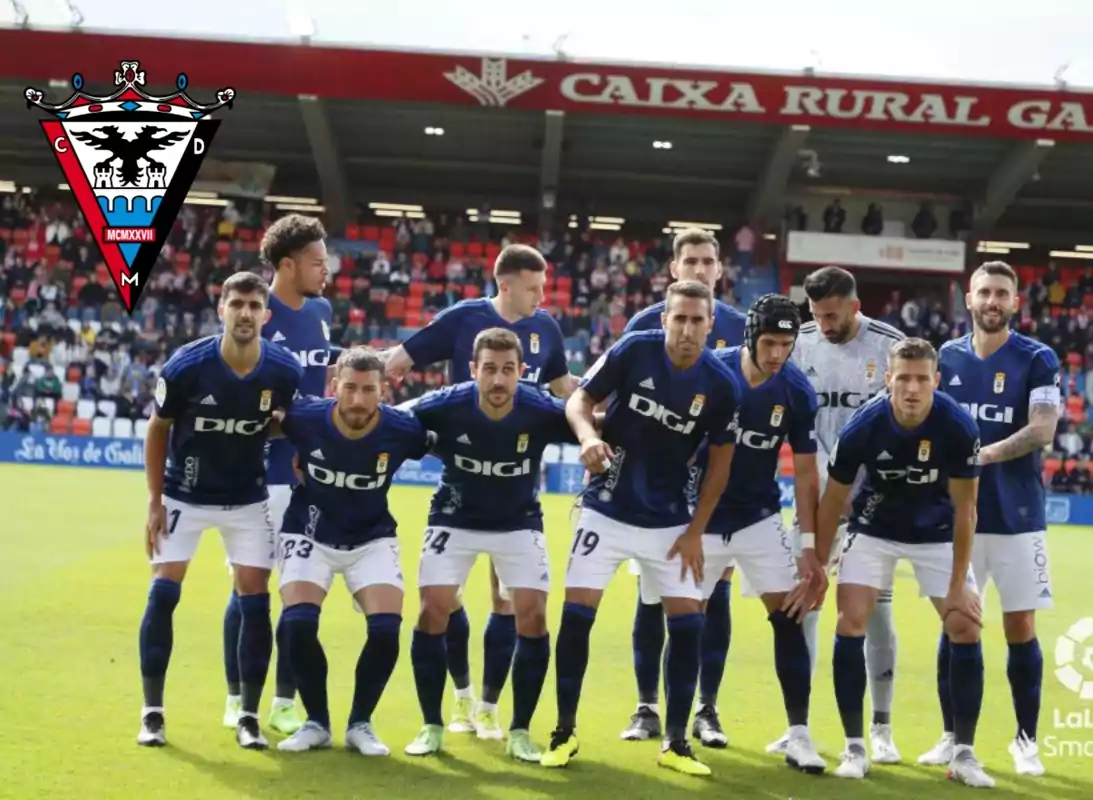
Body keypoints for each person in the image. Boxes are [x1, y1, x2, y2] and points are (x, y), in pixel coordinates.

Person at [541, 280, 741, 776]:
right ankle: (564, 732)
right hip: (607, 508)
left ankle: (675, 743)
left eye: (698, 320)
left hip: (670, 521)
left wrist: (696, 530)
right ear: (664, 319)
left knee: (689, 621)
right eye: (680, 318)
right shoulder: (634, 349)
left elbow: (720, 466)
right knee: (577, 615)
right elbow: (578, 401)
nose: (688, 329)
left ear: (711, 325)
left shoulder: (721, 385)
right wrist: (587, 437)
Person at [383, 244, 574, 738]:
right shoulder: (464, 318)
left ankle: (488, 707)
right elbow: (400, 360)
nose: (542, 295)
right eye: (534, 287)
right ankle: (461, 698)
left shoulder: (547, 329)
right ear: (505, 284)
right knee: (444, 602)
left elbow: (564, 393)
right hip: (459, 472)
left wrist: (597, 416)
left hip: (516, 485)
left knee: (508, 603)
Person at [796, 337, 992, 788]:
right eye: (902, 378)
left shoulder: (958, 428)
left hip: (937, 533)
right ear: (887, 380)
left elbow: (967, 510)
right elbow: (832, 502)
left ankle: (963, 753)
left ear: (936, 381)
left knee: (965, 623)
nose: (911, 388)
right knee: (850, 621)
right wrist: (819, 566)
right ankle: (855, 747)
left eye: (921, 379)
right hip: (874, 529)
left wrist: (961, 581)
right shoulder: (863, 427)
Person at [137, 272, 303, 749]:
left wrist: (293, 446)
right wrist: (153, 501)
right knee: (163, 592)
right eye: (238, 304)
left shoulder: (283, 371)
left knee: (255, 600)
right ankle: (152, 713)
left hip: (247, 499)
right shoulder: (187, 365)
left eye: (255, 305)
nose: (246, 313)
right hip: (183, 495)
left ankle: (248, 716)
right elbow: (158, 428)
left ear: (267, 316)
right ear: (222, 309)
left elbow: (285, 424)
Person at [768, 266, 906, 762]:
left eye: (832, 314)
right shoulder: (799, 345)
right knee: (799, 604)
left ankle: (881, 727)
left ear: (854, 305)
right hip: (813, 499)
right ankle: (797, 725)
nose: (824, 323)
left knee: (873, 612)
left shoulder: (890, 346)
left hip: (874, 506)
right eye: (817, 315)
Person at [932, 261, 1061, 777]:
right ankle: (950, 737)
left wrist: (980, 455)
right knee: (956, 623)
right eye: (983, 292)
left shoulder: (1037, 358)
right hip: (955, 516)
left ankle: (1025, 740)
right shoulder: (946, 357)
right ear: (969, 299)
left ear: (1014, 303)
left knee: (1019, 625)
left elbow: (1043, 429)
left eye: (1001, 293)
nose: (992, 301)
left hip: (1018, 515)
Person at [620, 228, 747, 746]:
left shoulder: (740, 327)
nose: (698, 269)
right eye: (689, 260)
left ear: (720, 270)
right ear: (674, 269)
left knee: (714, 595)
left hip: (719, 489)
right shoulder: (643, 327)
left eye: (707, 261)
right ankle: (646, 706)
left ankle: (707, 709)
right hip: (653, 487)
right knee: (651, 596)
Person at [691, 294, 828, 772]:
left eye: (786, 345)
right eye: (770, 343)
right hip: (701, 519)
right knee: (686, 618)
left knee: (789, 615)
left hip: (758, 517)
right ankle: (682, 724)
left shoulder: (796, 391)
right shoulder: (711, 371)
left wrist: (809, 549)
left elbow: (807, 475)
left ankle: (799, 734)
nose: (777, 354)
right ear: (751, 335)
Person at [271, 348, 430, 756]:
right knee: (298, 622)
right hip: (309, 531)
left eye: (368, 390)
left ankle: (361, 722)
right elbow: (260, 424)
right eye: (350, 388)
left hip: (371, 536)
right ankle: (316, 722)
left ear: (383, 392)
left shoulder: (402, 430)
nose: (358, 400)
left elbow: (444, 441)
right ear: (334, 386)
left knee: (384, 629)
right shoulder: (304, 418)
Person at [222, 213, 334, 737]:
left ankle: (284, 701)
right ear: (286, 266)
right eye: (317, 262)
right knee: (250, 589)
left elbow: (321, 386)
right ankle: (235, 696)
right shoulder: (256, 318)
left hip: (310, 478)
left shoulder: (322, 312)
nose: (326, 271)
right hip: (259, 478)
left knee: (299, 590)